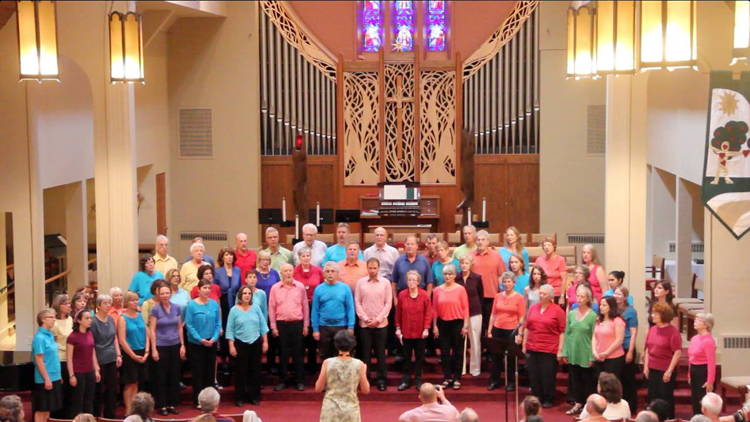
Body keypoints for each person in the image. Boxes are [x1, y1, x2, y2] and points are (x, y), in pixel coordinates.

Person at [523, 284, 565, 408]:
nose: (541, 296)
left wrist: (560, 350)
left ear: (551, 296)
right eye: (540, 293)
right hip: (532, 346)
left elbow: (562, 331)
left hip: (549, 348)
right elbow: (527, 327)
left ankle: (548, 398)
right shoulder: (533, 308)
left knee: (547, 375)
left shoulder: (557, 310)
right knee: (534, 374)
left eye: (544, 294)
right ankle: (536, 397)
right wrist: (525, 344)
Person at [269, 263, 310, 391]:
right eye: (285, 271)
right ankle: (282, 380)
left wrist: (306, 325)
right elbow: (271, 308)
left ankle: (299, 380)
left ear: (293, 272)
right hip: (282, 325)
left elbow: (305, 306)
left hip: (297, 324)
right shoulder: (275, 288)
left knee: (298, 354)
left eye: (290, 270)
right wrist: (273, 326)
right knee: (283, 353)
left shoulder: (300, 287)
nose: (288, 273)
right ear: (281, 273)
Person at [227, 286, 269, 407]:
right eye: (244, 293)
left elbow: (262, 325)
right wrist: (231, 345)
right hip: (240, 343)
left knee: (255, 371)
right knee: (240, 372)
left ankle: (254, 396)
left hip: (255, 342)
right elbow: (230, 329)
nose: (247, 295)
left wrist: (265, 341)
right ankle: (239, 398)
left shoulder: (256, 308)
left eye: (249, 293)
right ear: (240, 296)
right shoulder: (234, 310)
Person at [315, 330, 370, 422]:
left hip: (330, 409)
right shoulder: (359, 364)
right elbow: (365, 390)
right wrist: (363, 372)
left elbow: (318, 388)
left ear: (336, 345)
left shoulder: (327, 363)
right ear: (353, 345)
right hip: (351, 410)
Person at [355, 258, 392, 391]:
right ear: (367, 268)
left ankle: (381, 379)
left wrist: (378, 319)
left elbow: (388, 303)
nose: (372, 270)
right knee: (365, 353)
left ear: (378, 268)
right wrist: (365, 318)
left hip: (381, 324)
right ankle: (366, 379)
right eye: (370, 268)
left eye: (374, 268)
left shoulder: (386, 283)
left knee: (381, 353)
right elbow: (357, 302)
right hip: (364, 325)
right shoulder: (360, 283)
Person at [185, 279, 221, 408]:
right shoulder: (191, 305)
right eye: (204, 288)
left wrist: (214, 338)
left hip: (211, 343)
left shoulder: (214, 304)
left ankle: (210, 401)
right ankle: (198, 400)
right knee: (198, 372)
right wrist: (200, 339)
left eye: (208, 288)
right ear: (198, 289)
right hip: (196, 344)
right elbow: (189, 325)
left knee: (209, 373)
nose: (207, 290)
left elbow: (218, 323)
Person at [150, 284, 185, 416]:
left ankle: (171, 404)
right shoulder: (155, 309)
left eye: (167, 293)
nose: (165, 295)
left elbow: (179, 327)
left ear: (171, 294)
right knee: (161, 376)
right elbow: (152, 330)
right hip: (161, 346)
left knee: (174, 376)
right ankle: (162, 405)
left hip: (175, 344)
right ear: (159, 295)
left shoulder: (176, 307)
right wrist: (154, 349)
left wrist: (182, 344)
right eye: (162, 293)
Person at [487, 272, 526, 391]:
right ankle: (495, 381)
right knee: (496, 357)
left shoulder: (519, 297)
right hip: (498, 329)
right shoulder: (498, 296)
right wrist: (489, 331)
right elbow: (493, 315)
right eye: (505, 281)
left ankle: (511, 382)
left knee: (510, 359)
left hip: (512, 331)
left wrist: (520, 333)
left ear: (514, 283)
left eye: (509, 281)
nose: (507, 284)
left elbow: (522, 317)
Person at [433, 264, 470, 390]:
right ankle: (447, 377)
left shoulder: (460, 289)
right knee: (444, 352)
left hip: (457, 323)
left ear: (454, 275)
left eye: (450, 274)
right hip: (443, 323)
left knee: (458, 351)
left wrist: (465, 326)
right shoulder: (437, 290)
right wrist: (434, 326)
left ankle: (457, 378)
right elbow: (435, 309)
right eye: (445, 274)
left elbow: (465, 308)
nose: (447, 276)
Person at [562, 284, 597, 415]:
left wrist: (592, 356)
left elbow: (594, 336)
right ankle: (578, 403)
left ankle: (589, 406)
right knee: (575, 380)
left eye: (583, 296)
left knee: (587, 381)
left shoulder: (593, 316)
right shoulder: (571, 314)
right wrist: (565, 351)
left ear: (588, 298)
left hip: (586, 352)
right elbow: (567, 333)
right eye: (578, 296)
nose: (580, 299)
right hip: (573, 351)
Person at [644, 302, 682, 419]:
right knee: (652, 396)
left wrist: (669, 371)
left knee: (665, 398)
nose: (652, 316)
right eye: (653, 313)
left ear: (664, 315)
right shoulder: (653, 329)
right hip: (652, 368)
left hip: (665, 369)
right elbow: (647, 349)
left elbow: (677, 352)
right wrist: (646, 366)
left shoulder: (672, 332)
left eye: (656, 314)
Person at [396, 271, 432, 391]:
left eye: (414, 280)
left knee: (419, 358)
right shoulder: (401, 295)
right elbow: (398, 314)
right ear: (406, 282)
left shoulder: (425, 295)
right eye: (409, 280)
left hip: (420, 332)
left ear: (418, 282)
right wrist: (398, 328)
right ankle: (406, 380)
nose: (411, 282)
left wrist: (426, 328)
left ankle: (418, 380)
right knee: (406, 358)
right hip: (406, 332)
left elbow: (428, 313)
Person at [312, 263, 355, 360]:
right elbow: (315, 311)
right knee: (325, 356)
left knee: (341, 355)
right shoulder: (319, 289)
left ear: (337, 273)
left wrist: (351, 327)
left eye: (333, 271)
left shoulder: (345, 288)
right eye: (327, 271)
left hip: (341, 326)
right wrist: (315, 329)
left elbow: (350, 309)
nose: (330, 274)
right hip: (324, 327)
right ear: (324, 274)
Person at [470, 230, 507, 342]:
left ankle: (490, 351)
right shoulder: (470, 256)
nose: (480, 242)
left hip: (492, 296)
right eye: (478, 240)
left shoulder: (496, 256)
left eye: (483, 240)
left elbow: (501, 276)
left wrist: (501, 294)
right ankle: (479, 351)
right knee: (477, 326)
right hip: (475, 297)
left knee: (490, 324)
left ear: (488, 242)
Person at [118, 292, 150, 415]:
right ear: (127, 302)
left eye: (137, 300)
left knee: (137, 381)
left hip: (142, 351)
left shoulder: (140, 315)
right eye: (132, 300)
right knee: (129, 382)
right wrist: (133, 355)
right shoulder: (123, 318)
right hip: (130, 352)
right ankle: (128, 409)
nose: (135, 302)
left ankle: (135, 409)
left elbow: (147, 334)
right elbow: (122, 339)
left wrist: (147, 351)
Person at [90, 295, 121, 419]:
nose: (108, 305)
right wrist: (96, 365)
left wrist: (118, 354)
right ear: (98, 306)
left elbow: (115, 338)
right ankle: (97, 415)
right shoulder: (93, 321)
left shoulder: (111, 319)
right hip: (99, 358)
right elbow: (91, 344)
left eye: (109, 303)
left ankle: (110, 415)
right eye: (105, 303)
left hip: (111, 358)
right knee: (98, 390)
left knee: (112, 389)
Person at [67, 310, 100, 417]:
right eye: (87, 318)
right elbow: (69, 357)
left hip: (89, 370)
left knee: (89, 399)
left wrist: (96, 369)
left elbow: (93, 353)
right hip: (78, 372)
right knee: (78, 401)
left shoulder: (90, 334)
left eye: (90, 318)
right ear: (79, 320)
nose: (90, 320)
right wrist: (71, 375)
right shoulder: (72, 337)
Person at [33, 309, 63, 422]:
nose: (54, 319)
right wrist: (47, 379)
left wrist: (58, 375)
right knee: (41, 408)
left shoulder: (50, 334)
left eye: (55, 317)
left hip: (54, 376)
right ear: (43, 320)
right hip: (44, 378)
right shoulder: (39, 338)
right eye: (51, 317)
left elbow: (53, 357)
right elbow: (39, 361)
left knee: (48, 408)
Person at [456, 255, 484, 377]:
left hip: (474, 312)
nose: (464, 265)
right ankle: (461, 368)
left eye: (466, 263)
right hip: (459, 312)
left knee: (475, 340)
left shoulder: (477, 278)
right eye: (462, 263)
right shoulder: (456, 278)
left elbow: (480, 295)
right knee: (460, 341)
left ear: (470, 264)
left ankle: (475, 368)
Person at [215, 247, 241, 366]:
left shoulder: (237, 271)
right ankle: (224, 359)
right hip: (223, 304)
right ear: (222, 257)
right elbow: (215, 290)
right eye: (226, 255)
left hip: (235, 304)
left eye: (231, 255)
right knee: (225, 330)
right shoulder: (218, 271)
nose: (229, 257)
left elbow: (240, 288)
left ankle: (234, 358)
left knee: (235, 330)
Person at [615, 286, 639, 414]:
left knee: (628, 379)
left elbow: (634, 332)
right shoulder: (613, 309)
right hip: (615, 348)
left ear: (625, 297)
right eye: (615, 293)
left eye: (619, 294)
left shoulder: (630, 311)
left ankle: (631, 406)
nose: (616, 296)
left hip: (626, 346)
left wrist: (630, 351)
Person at [689, 313, 717, 415]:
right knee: (695, 399)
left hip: (703, 371)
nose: (695, 321)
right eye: (695, 319)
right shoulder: (694, 338)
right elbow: (691, 358)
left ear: (706, 325)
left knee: (703, 401)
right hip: (694, 370)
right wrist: (689, 373)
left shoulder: (708, 341)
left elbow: (711, 362)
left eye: (699, 320)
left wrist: (710, 381)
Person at [392, 236, 435, 304]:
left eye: (412, 244)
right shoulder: (399, 261)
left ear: (417, 246)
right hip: (403, 297)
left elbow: (429, 282)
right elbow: (394, 282)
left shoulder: (424, 261)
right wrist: (395, 298)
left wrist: (428, 298)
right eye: (408, 244)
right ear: (405, 246)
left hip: (421, 297)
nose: (410, 246)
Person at [592, 296, 626, 379]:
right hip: (599, 357)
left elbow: (619, 340)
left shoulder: (617, 321)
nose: (601, 307)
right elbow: (594, 336)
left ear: (611, 306)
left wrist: (606, 353)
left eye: (604, 305)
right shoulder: (598, 320)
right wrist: (594, 351)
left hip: (613, 358)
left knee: (611, 385)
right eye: (600, 305)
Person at [51, 294, 72, 418]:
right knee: (61, 391)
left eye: (69, 303)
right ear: (59, 306)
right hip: (60, 359)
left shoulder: (70, 320)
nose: (69, 305)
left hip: (71, 358)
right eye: (66, 303)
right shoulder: (54, 323)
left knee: (70, 391)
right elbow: (53, 345)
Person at [534, 237, 568, 304]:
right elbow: (534, 276)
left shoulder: (560, 260)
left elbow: (564, 280)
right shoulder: (539, 260)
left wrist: (562, 296)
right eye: (545, 246)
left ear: (554, 247)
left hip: (556, 293)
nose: (546, 247)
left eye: (549, 245)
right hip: (543, 292)